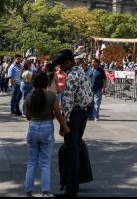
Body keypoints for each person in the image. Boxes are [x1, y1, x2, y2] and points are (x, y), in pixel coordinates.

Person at [53, 48, 93, 198]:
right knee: (71, 148)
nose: (60, 66)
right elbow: (89, 95)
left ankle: (71, 188)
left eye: (61, 63)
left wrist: (64, 124)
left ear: (69, 62)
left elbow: (68, 102)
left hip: (74, 115)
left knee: (71, 151)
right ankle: (75, 180)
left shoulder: (71, 77)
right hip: (83, 112)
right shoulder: (82, 73)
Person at [24, 71, 70, 197]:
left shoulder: (29, 96)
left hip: (33, 128)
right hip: (46, 129)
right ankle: (45, 192)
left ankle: (28, 190)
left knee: (32, 162)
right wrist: (65, 128)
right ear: (47, 82)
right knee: (45, 162)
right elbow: (58, 114)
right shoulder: (52, 96)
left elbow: (28, 116)